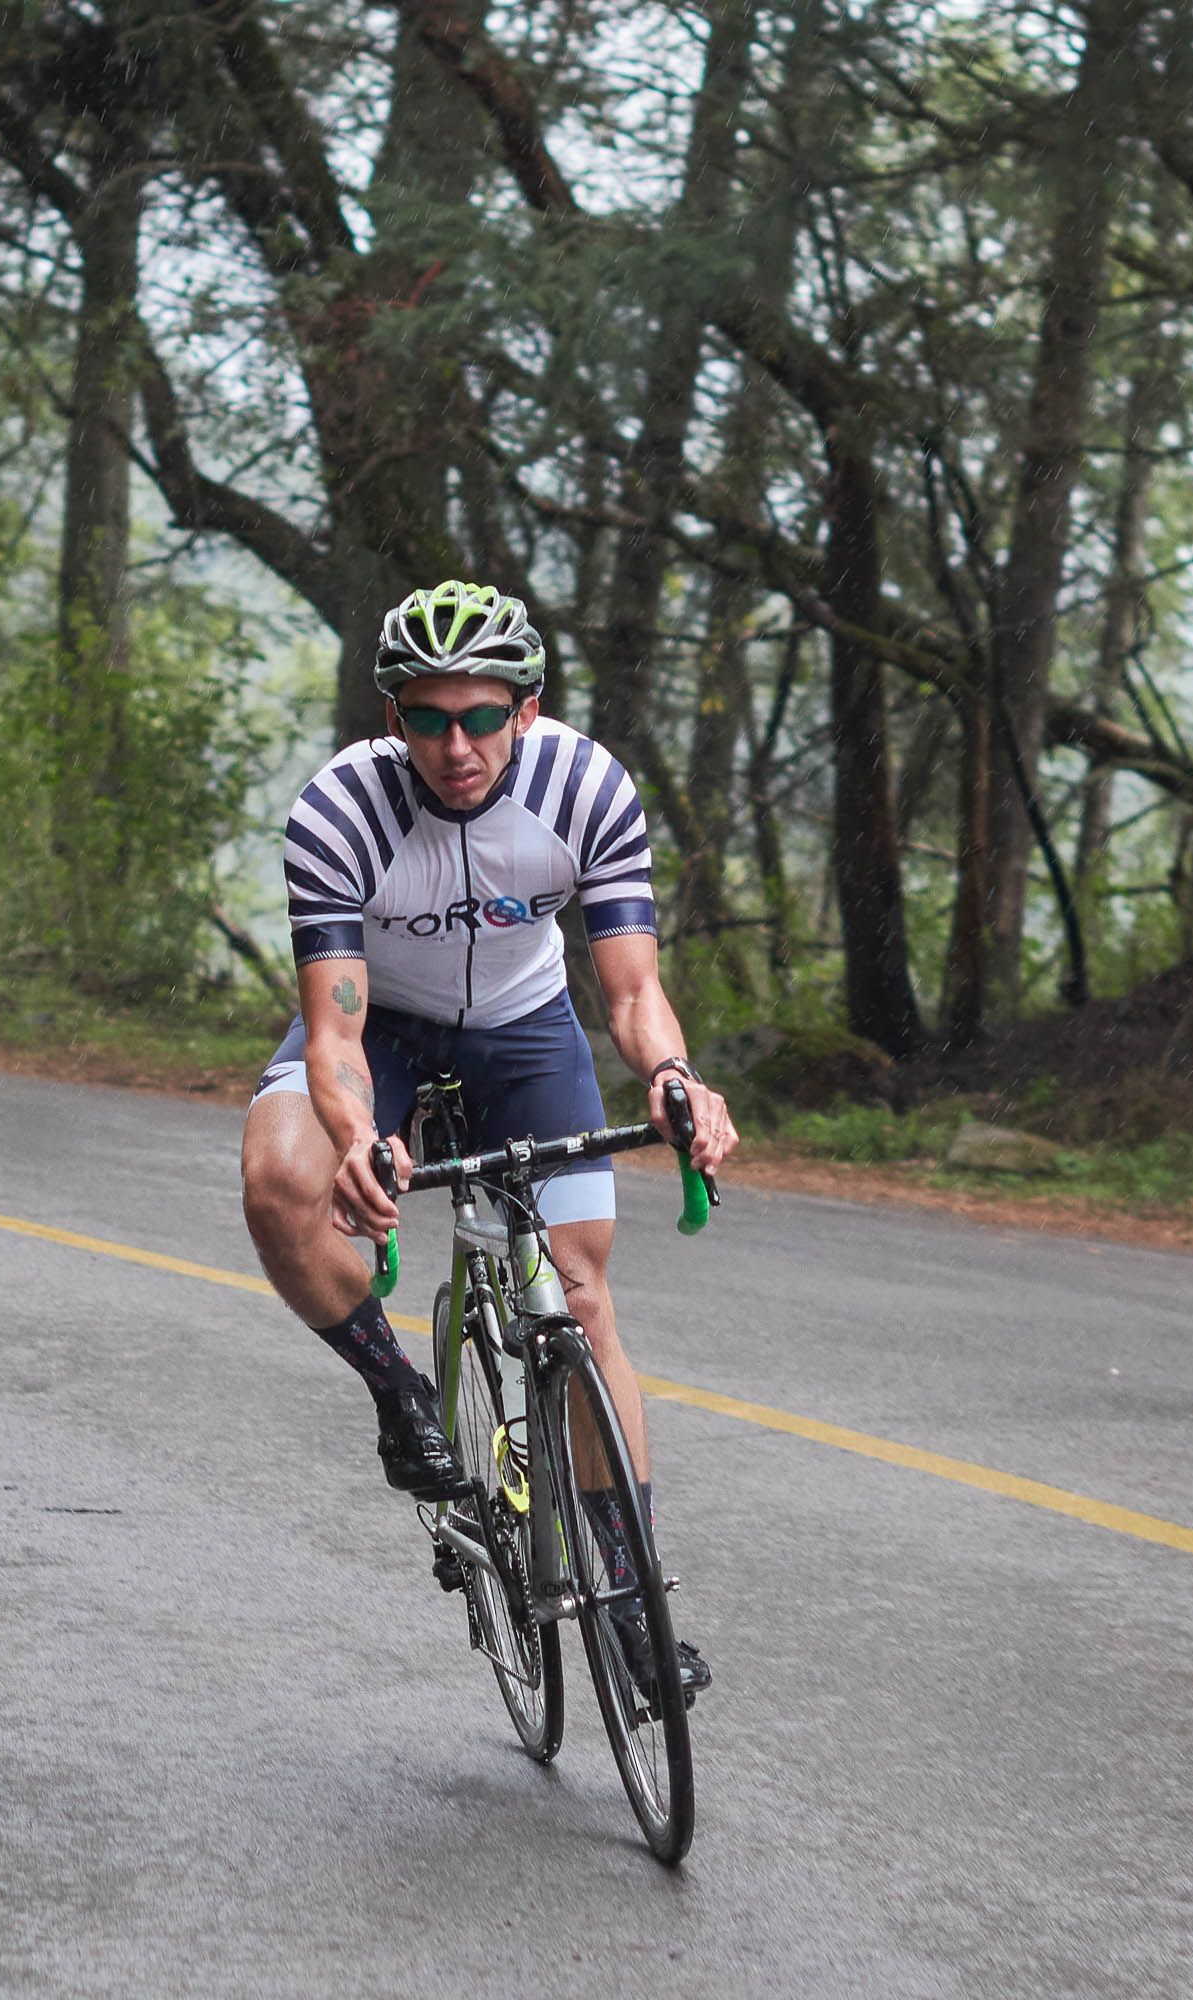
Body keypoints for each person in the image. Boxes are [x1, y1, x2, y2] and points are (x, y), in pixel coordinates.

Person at [239, 579, 739, 1702]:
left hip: (524, 1027)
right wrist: (359, 1135)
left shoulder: (586, 787)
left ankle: (630, 1599)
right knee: (278, 1181)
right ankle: (400, 1394)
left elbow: (631, 992)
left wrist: (673, 1077)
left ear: (527, 708)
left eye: (479, 716)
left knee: (580, 1295)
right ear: (393, 718)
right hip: (384, 1028)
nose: (454, 747)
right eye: (427, 718)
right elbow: (334, 1032)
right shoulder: (340, 810)